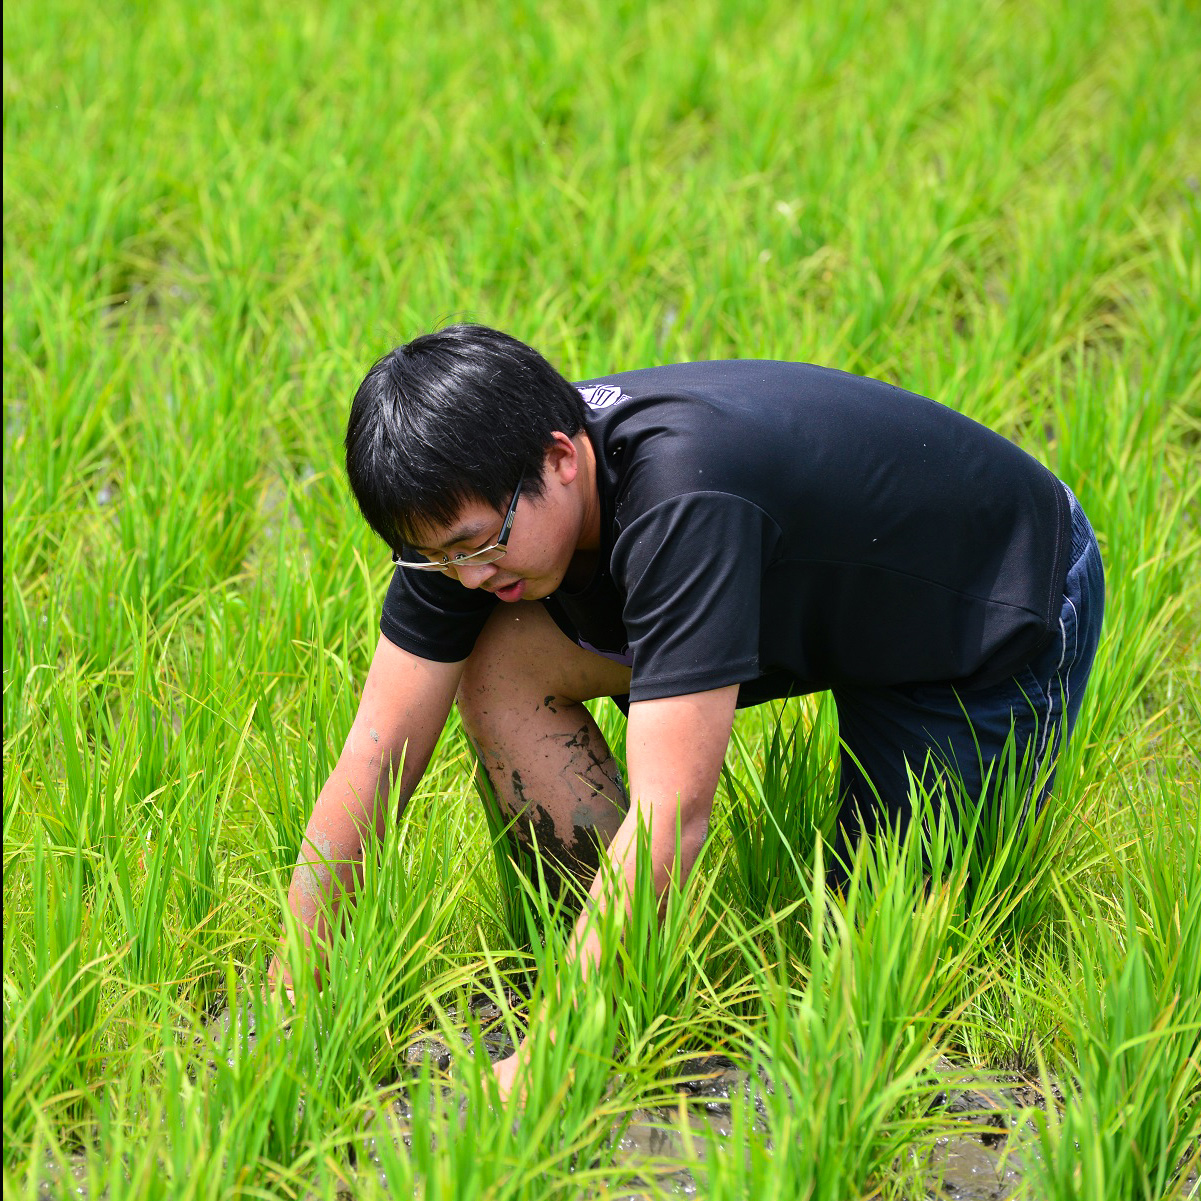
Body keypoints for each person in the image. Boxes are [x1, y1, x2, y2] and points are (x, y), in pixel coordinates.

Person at [269, 322, 1104, 1098]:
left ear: (561, 457)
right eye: (438, 557)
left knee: (878, 970)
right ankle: (612, 975)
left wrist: (544, 1065)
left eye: (481, 545)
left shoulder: (681, 499)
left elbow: (676, 815)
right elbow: (375, 758)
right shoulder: (468, 511)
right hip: (800, 590)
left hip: (978, 611)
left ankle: (591, 1013)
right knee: (495, 663)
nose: (469, 576)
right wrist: (284, 1001)